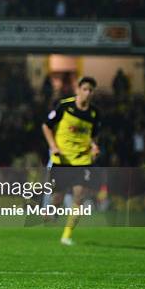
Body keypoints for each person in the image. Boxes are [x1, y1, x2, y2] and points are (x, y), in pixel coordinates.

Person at [41, 77, 101, 246]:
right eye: (85, 89)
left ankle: (66, 236)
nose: (87, 93)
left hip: (82, 160)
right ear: (78, 90)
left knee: (79, 196)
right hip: (62, 159)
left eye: (91, 90)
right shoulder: (65, 106)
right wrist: (53, 146)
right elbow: (46, 125)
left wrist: (94, 146)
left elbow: (92, 136)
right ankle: (51, 211)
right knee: (58, 198)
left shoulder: (94, 113)